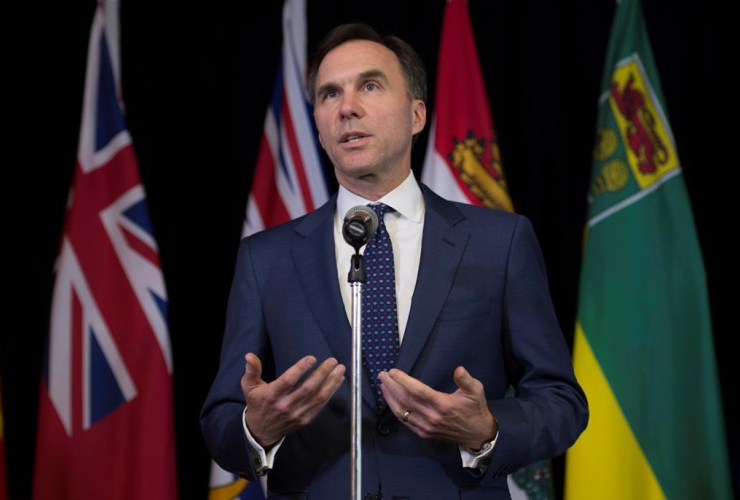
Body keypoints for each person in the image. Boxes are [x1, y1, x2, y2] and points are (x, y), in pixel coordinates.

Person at [201, 23, 588, 500]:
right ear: (320, 130)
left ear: (417, 115)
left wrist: (485, 427)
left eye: (369, 86)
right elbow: (221, 421)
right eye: (329, 94)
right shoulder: (265, 259)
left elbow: (561, 401)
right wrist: (254, 427)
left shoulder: (500, 242)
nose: (347, 107)